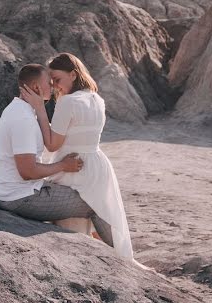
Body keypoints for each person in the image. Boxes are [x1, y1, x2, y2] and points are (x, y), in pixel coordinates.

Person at [20, 52, 134, 260]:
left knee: (69, 228)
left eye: (58, 80)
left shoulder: (68, 102)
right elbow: (76, 134)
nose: (54, 86)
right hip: (97, 166)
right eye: (52, 81)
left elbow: (53, 145)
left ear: (73, 74)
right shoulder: (97, 99)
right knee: (98, 215)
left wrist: (40, 110)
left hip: (74, 168)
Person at [0, 63, 116, 246]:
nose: (53, 86)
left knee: (84, 195)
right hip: (19, 197)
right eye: (49, 83)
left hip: (11, 192)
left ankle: (99, 246)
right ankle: (123, 258)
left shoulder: (18, 110)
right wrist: (64, 166)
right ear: (36, 88)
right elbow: (27, 171)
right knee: (95, 203)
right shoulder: (23, 119)